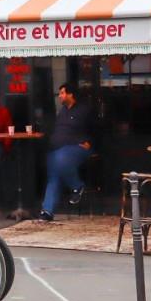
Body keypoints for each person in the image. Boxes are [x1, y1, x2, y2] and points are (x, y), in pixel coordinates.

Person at [39, 82, 93, 222]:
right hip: (59, 149)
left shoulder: (84, 110)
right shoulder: (62, 111)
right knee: (54, 173)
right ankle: (47, 210)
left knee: (59, 159)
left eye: (62, 93)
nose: (60, 96)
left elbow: (96, 129)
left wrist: (90, 142)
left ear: (70, 94)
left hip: (78, 148)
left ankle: (77, 185)